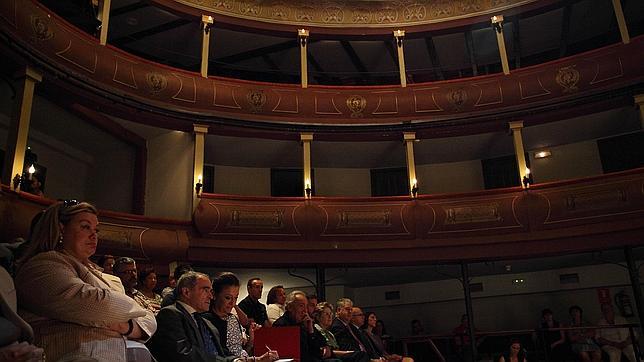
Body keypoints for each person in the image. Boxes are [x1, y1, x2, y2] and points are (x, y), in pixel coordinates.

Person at [15, 201, 156, 362]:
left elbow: (150, 319)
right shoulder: (41, 266)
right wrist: (135, 311)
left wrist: (127, 326)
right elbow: (99, 304)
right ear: (62, 228)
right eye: (85, 227)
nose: (94, 235)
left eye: (96, 229)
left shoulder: (97, 272)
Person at [148, 271, 279, 362]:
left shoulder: (203, 321)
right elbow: (184, 354)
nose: (210, 296)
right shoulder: (170, 314)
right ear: (186, 292)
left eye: (210, 291)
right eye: (205, 290)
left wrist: (255, 360)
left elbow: (223, 353)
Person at [204, 272, 273, 361]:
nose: (232, 303)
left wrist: (251, 339)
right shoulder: (206, 321)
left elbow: (242, 352)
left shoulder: (233, 318)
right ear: (214, 295)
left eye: (236, 298)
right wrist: (257, 359)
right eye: (228, 298)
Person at [273, 290, 328, 362]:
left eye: (306, 306)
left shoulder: (304, 323)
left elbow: (321, 346)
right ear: (289, 307)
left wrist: (310, 330)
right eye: (301, 306)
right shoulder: (281, 325)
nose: (305, 311)